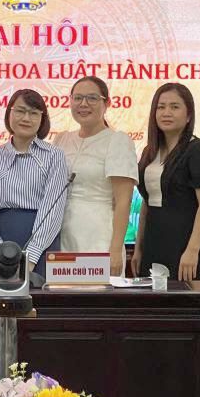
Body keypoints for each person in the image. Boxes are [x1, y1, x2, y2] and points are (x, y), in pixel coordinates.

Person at [131, 83, 200, 282]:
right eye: (161, 107)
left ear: (189, 115)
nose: (166, 113)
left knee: (187, 299)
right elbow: (147, 201)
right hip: (154, 242)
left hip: (187, 244)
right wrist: (139, 247)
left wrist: (192, 250)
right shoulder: (149, 152)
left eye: (174, 107)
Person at [52, 76, 137, 277]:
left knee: (95, 293)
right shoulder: (62, 139)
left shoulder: (117, 141)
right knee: (62, 293)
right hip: (60, 235)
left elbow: (123, 202)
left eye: (92, 98)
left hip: (99, 235)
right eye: (78, 98)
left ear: (107, 103)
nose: (83, 104)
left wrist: (115, 250)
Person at [0, 90, 71, 278]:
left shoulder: (54, 156)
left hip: (43, 242)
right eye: (20, 111)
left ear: (42, 119)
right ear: (9, 113)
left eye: (33, 113)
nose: (26, 118)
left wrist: (32, 256)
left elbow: (52, 210)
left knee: (41, 293)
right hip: (3, 240)